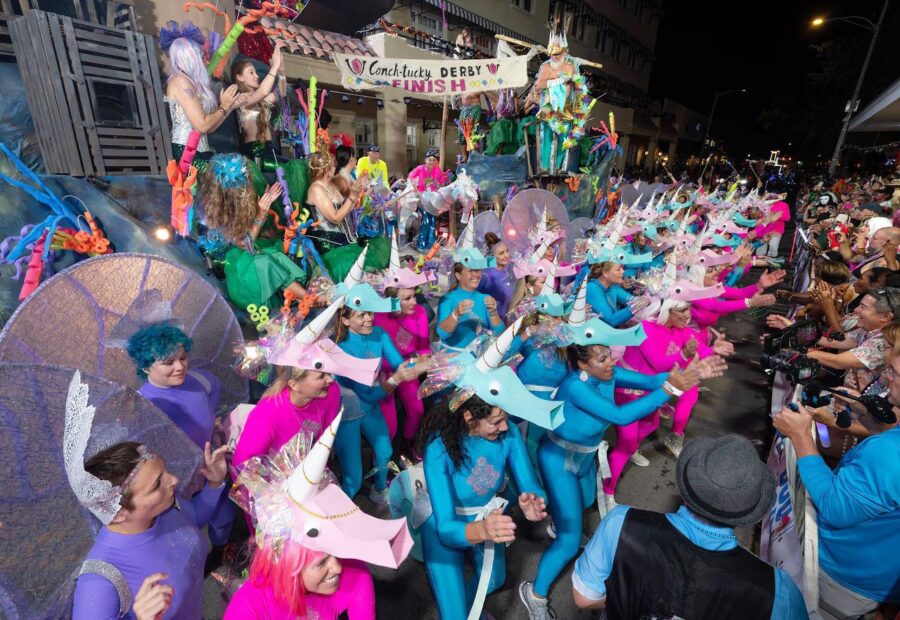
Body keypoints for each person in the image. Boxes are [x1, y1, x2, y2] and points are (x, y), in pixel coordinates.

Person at [520, 305, 724, 619]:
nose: (611, 360)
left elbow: (652, 380)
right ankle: (534, 594)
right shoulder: (576, 386)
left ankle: (561, 521)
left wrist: (689, 371)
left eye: (609, 354)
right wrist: (672, 388)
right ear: (581, 365)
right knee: (571, 538)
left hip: (585, 457)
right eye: (602, 358)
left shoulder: (608, 373)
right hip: (559, 459)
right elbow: (620, 415)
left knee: (586, 501)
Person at [569, 435, 806, 619]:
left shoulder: (621, 524)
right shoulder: (777, 590)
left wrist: (625, 596)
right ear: (746, 515)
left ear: (685, 489)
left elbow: (584, 597)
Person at [773, 353, 900, 619]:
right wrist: (866, 414)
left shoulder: (889, 455)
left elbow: (835, 507)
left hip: (840, 577)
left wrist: (799, 436)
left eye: (896, 374)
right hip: (875, 575)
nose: (887, 377)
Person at [72, 441, 231, 619]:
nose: (174, 480)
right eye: (156, 485)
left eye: (165, 471)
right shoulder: (99, 583)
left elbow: (192, 519)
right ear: (119, 513)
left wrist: (215, 484)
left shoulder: (164, 509)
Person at [125, 323, 234, 546]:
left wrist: (213, 424)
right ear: (146, 367)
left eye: (183, 358)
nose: (180, 367)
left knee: (225, 516)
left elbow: (213, 387)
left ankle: (224, 548)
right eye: (168, 363)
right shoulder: (145, 406)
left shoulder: (197, 379)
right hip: (180, 480)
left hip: (211, 465)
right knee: (190, 525)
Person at [200, 153, 309, 309]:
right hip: (238, 269)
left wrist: (266, 200)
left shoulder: (244, 198)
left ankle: (301, 296)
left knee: (274, 255)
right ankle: (307, 298)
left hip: (252, 252)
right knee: (264, 262)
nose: (245, 186)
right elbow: (246, 244)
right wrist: (262, 213)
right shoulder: (218, 212)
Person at [161, 21, 244, 170]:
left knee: (240, 168)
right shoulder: (180, 81)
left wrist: (229, 106)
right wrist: (224, 106)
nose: (204, 59)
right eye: (200, 54)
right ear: (190, 57)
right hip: (187, 154)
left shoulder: (189, 82)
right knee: (232, 173)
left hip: (201, 151)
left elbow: (209, 128)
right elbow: (203, 125)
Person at [374, 284, 433, 444]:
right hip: (384, 371)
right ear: (392, 301)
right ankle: (382, 458)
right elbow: (377, 358)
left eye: (414, 296)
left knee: (417, 411)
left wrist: (425, 362)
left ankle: (408, 444)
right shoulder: (378, 318)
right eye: (407, 298)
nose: (414, 301)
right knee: (389, 425)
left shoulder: (419, 312)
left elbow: (423, 347)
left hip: (409, 367)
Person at [232, 46, 288, 171]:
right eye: (251, 72)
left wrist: (282, 71)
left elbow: (281, 93)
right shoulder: (241, 99)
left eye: (256, 72)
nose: (256, 76)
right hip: (255, 153)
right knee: (293, 167)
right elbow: (263, 91)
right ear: (240, 77)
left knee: (293, 167)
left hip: (269, 150)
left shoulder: (261, 100)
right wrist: (274, 66)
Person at [477, 232, 516, 318]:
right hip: (490, 321)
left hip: (505, 319)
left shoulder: (506, 271)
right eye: (501, 253)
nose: (506, 255)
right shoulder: (487, 275)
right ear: (492, 256)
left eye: (507, 251)